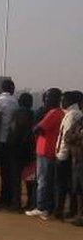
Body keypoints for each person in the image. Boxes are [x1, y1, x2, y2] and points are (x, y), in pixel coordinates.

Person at [26, 88, 64, 220]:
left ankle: (41, 207)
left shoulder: (53, 113)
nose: (46, 100)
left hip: (45, 150)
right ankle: (48, 208)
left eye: (48, 97)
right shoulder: (62, 113)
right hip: (53, 150)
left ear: (54, 99)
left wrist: (37, 130)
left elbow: (38, 128)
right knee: (50, 181)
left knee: (42, 180)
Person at [54, 91, 82, 219]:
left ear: (71, 101)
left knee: (65, 185)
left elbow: (67, 138)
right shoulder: (69, 114)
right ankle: (68, 209)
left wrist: (62, 154)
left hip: (65, 155)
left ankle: (62, 209)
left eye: (63, 100)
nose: (61, 102)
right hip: (64, 154)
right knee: (69, 185)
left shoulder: (73, 115)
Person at [0, 79, 18, 208]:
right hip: (10, 140)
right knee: (8, 171)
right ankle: (8, 198)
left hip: (0, 139)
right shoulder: (15, 102)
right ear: (11, 88)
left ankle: (2, 198)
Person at [8, 92, 35, 211]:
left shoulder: (16, 113)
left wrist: (10, 144)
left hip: (16, 148)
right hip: (29, 149)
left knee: (16, 178)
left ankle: (16, 203)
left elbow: (13, 130)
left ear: (20, 102)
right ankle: (30, 202)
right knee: (29, 179)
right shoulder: (33, 114)